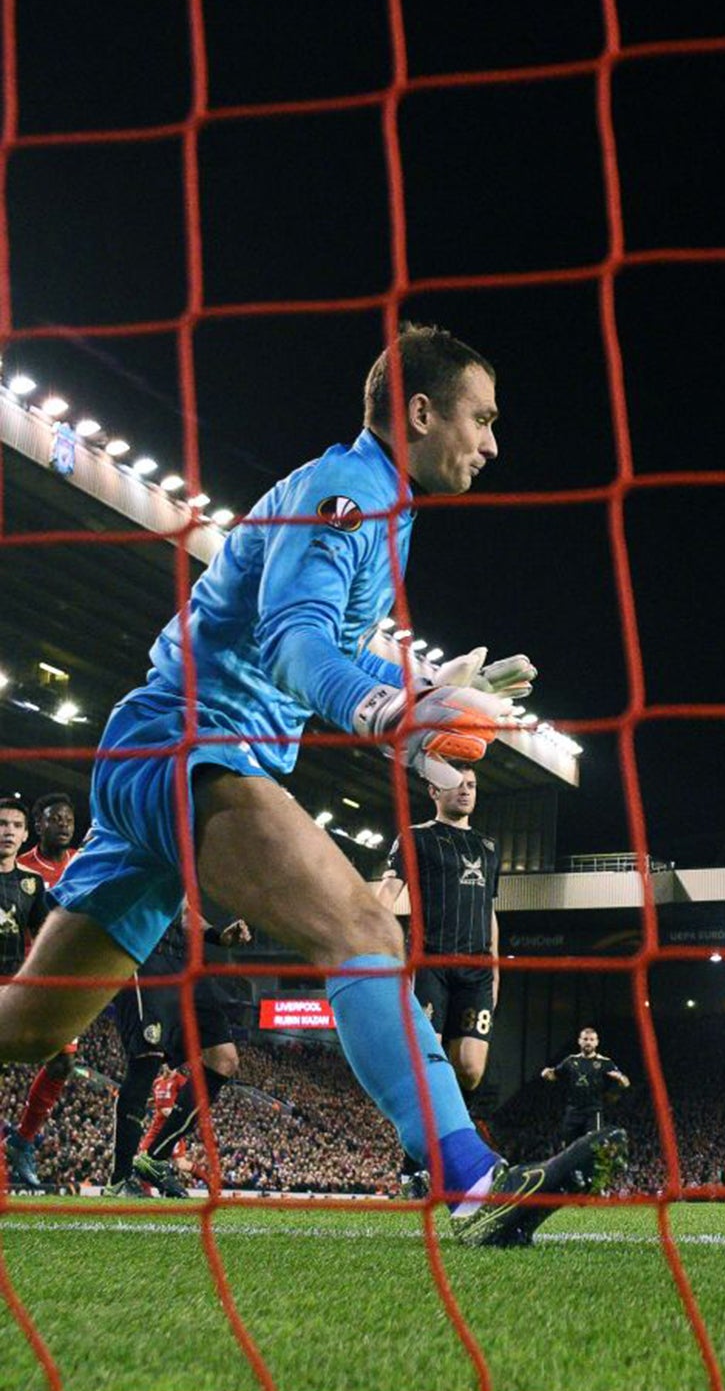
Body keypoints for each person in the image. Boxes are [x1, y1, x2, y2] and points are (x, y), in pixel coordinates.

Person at [0, 323, 622, 1246]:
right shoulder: (347, 495)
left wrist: (418, 700)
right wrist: (394, 716)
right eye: (480, 420)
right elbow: (296, 644)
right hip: (185, 745)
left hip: (172, 755)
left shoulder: (384, 507)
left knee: (28, 1030)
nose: (492, 444)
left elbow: (313, 644)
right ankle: (473, 1180)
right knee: (362, 927)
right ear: (419, 411)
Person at [380, 765, 501, 1189]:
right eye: (458, 785)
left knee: (468, 1069)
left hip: (477, 971)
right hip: (429, 964)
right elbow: (387, 893)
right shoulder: (415, 838)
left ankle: (442, 1151)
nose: (467, 791)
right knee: (429, 1063)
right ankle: (416, 1166)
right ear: (434, 790)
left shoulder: (489, 846)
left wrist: (496, 968)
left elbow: (488, 912)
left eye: (472, 785)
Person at [104, 914, 253, 1199]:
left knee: (224, 1058)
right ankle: (119, 1180)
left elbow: (183, 911)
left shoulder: (181, 868)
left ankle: (155, 1158)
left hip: (183, 963)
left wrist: (217, 936)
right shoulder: (128, 867)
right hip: (143, 955)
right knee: (146, 1060)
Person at [0, 796, 76, 1190]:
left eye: (14, 825)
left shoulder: (31, 883)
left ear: (24, 833)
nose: (7, 831)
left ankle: (22, 1141)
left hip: (25, 983)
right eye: (1, 824)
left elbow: (44, 930)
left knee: (63, 1061)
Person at [542, 1027, 629, 1150]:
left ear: (597, 1042)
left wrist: (621, 1080)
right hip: (573, 1111)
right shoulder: (571, 1061)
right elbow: (554, 1075)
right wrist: (546, 1073)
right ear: (579, 1041)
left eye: (591, 1040)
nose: (588, 1042)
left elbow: (625, 1082)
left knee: (595, 1147)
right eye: (585, 1039)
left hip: (593, 1112)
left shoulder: (605, 1062)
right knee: (568, 1149)